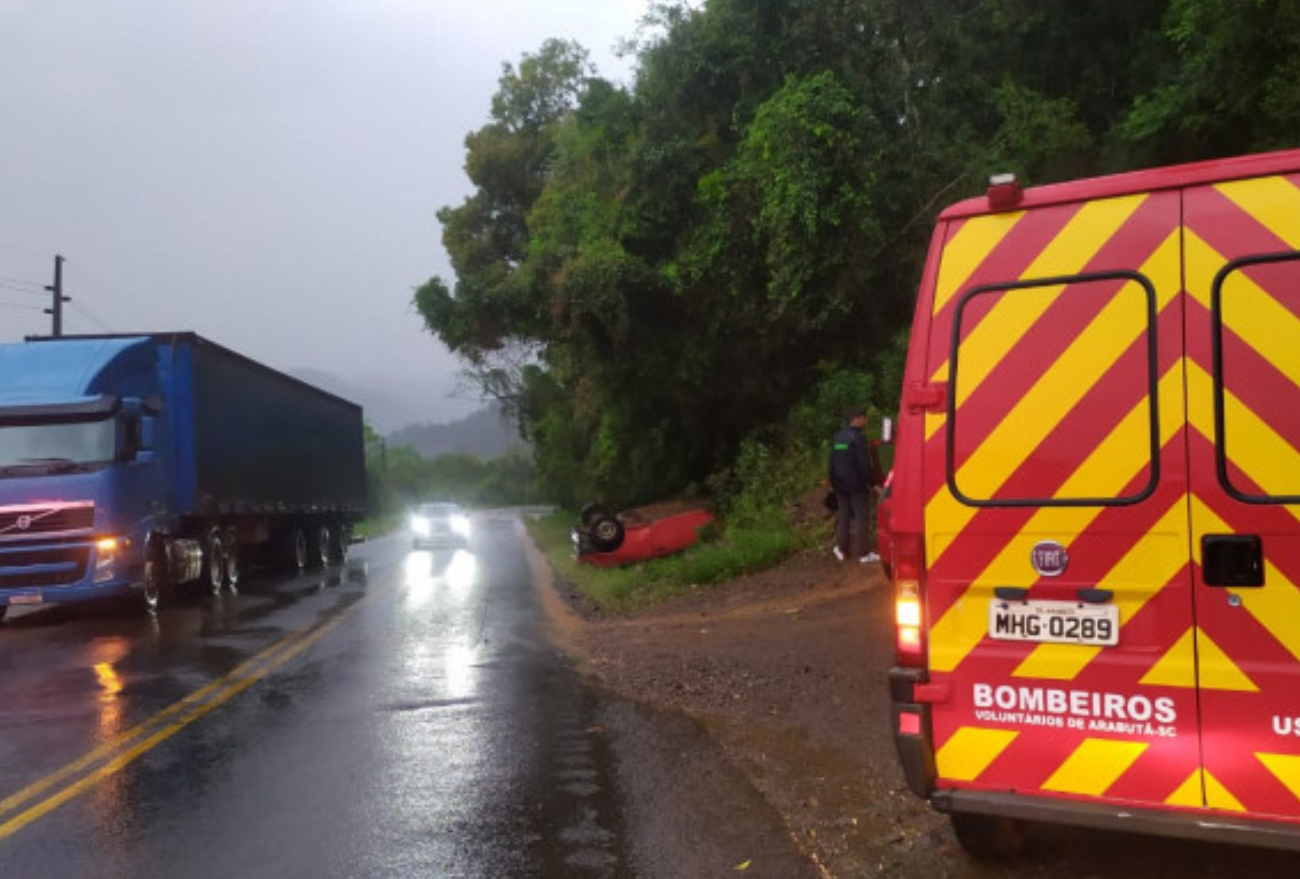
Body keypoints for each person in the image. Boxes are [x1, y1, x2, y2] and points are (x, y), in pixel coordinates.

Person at [828, 407, 882, 563]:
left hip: (840, 484)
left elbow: (832, 461)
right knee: (861, 518)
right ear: (856, 419)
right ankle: (864, 554)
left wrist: (833, 482)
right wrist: (873, 484)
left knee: (843, 516)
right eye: (864, 417)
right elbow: (864, 465)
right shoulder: (858, 439)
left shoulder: (838, 438)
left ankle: (841, 549)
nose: (865, 420)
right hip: (856, 485)